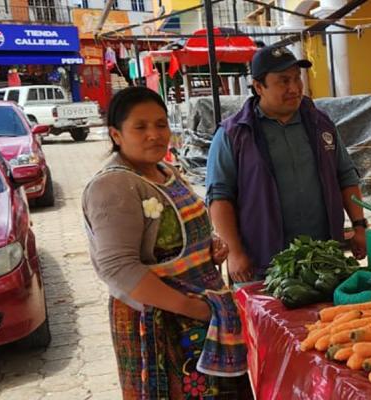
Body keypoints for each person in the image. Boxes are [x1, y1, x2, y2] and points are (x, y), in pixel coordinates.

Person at [83, 87, 250, 399]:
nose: (154, 135)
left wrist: (210, 249)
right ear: (116, 135)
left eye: (161, 125)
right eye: (140, 127)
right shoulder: (114, 186)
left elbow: (180, 237)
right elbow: (117, 267)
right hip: (160, 323)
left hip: (201, 313)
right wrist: (191, 308)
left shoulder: (166, 171)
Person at [206, 45, 367, 282]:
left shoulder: (320, 123)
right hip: (264, 263)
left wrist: (359, 226)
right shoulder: (234, 134)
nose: (294, 88)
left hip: (324, 258)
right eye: (283, 81)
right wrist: (235, 253)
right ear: (259, 87)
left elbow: (346, 176)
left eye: (296, 79)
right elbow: (219, 198)